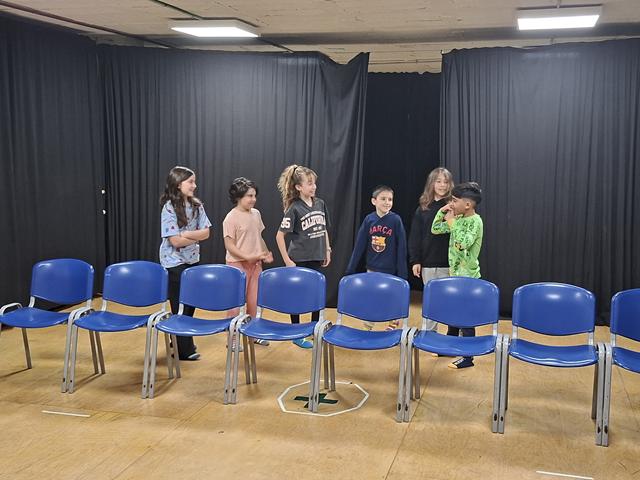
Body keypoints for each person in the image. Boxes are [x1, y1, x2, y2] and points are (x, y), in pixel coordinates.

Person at [275, 165, 331, 349]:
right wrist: (287, 261)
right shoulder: (294, 208)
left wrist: (327, 249)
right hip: (299, 259)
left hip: (316, 256)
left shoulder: (320, 203)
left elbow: (323, 228)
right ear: (299, 187)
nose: (313, 187)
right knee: (297, 296)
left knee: (316, 294)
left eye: (314, 183)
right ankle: (296, 333)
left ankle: (314, 329)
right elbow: (279, 236)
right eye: (309, 183)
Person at [159, 166, 211, 361]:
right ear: (178, 184)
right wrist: (194, 236)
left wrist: (187, 234)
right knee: (179, 305)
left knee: (190, 304)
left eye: (194, 181)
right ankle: (184, 349)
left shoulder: (197, 206)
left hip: (192, 260)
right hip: (173, 262)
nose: (194, 185)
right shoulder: (169, 208)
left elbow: (206, 233)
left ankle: (179, 338)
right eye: (190, 182)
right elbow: (175, 241)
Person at [432, 181, 483, 369]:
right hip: (454, 276)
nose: (451, 204)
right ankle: (449, 347)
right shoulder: (459, 219)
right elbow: (435, 229)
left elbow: (463, 243)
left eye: (454, 201)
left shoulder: (475, 222)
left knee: (465, 319)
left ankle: (468, 357)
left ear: (467, 204)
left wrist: (452, 222)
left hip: (468, 279)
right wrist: (442, 213)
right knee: (453, 314)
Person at [345, 185, 407, 330]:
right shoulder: (369, 220)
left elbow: (401, 248)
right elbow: (359, 246)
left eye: (390, 199)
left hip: (390, 270)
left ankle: (393, 323)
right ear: (374, 201)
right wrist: (350, 269)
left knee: (390, 297)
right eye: (383, 199)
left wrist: (402, 273)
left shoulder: (395, 220)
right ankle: (368, 325)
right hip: (372, 269)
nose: (387, 202)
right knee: (371, 297)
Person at [223, 177, 273, 349]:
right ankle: (232, 337)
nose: (253, 199)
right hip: (237, 266)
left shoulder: (256, 214)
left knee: (254, 301)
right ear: (238, 197)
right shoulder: (231, 218)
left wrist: (265, 253)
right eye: (249, 196)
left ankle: (252, 334)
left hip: (255, 266)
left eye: (254, 195)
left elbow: (259, 237)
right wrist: (246, 256)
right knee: (235, 304)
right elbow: (229, 245)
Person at [408, 168, 454, 333]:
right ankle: (429, 334)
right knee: (431, 301)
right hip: (428, 263)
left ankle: (452, 335)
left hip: (449, 264)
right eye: (438, 181)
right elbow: (415, 237)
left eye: (445, 182)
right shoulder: (423, 208)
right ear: (432, 184)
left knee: (450, 301)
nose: (442, 185)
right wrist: (415, 260)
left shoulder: (453, 207)